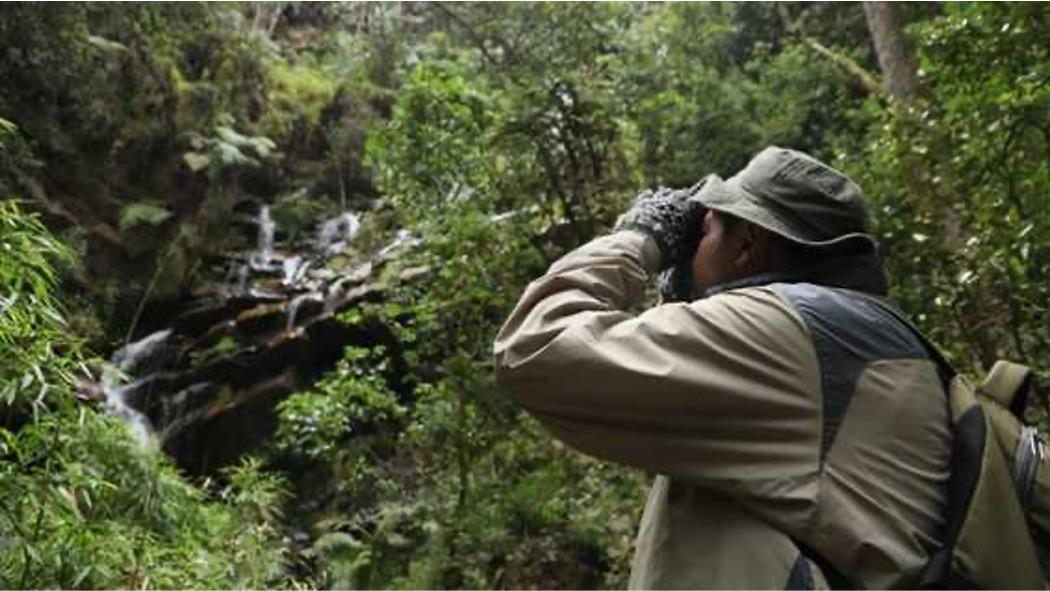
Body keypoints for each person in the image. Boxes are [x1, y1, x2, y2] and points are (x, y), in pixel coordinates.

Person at [493, 146, 951, 589]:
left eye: (706, 231)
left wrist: (641, 237)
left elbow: (538, 345)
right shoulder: (853, 334)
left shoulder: (785, 331)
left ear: (749, 244)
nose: (690, 249)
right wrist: (688, 295)